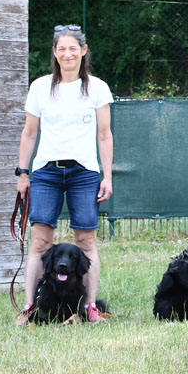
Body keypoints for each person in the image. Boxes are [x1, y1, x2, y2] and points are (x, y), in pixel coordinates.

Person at [15, 24, 114, 325]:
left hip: (84, 173)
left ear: (83, 51)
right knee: (40, 243)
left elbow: (105, 135)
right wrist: (22, 172)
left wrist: (106, 175)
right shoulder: (40, 87)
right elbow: (30, 133)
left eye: (73, 48)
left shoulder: (97, 88)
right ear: (55, 54)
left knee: (86, 243)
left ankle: (90, 307)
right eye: (62, 49)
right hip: (46, 172)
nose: (67, 54)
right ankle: (31, 307)